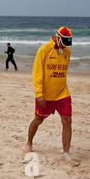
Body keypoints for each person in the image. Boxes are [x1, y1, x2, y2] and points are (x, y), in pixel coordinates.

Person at [26, 27, 76, 163]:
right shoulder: (44, 50)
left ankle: (66, 153)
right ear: (57, 37)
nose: (64, 46)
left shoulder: (67, 52)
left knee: (67, 121)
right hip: (45, 96)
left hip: (62, 93)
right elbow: (37, 73)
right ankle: (29, 143)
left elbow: (62, 73)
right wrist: (39, 93)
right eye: (63, 42)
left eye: (67, 43)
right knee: (38, 120)